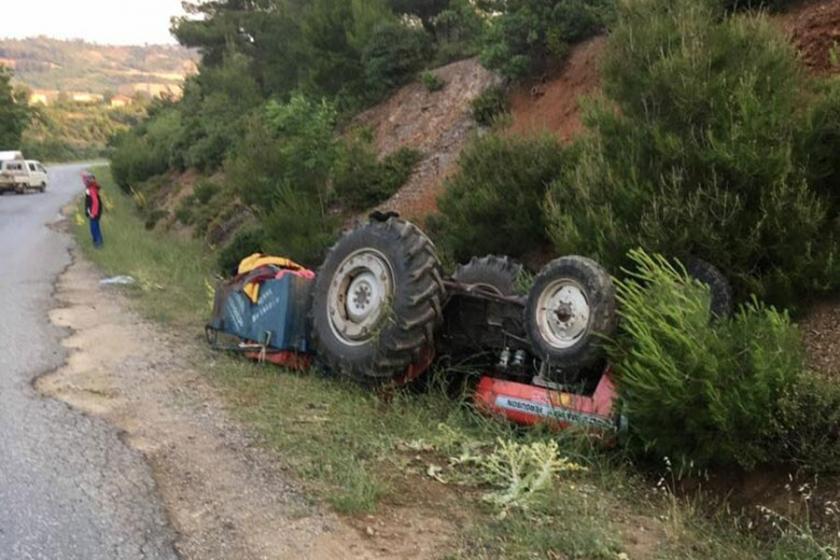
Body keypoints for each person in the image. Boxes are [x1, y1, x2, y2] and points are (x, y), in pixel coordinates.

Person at [83, 172, 104, 248]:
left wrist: (93, 213)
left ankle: (98, 242)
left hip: (94, 211)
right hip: (95, 211)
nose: (84, 182)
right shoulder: (91, 188)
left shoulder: (91, 189)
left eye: (86, 180)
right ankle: (98, 240)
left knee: (94, 227)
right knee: (95, 226)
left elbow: (95, 202)